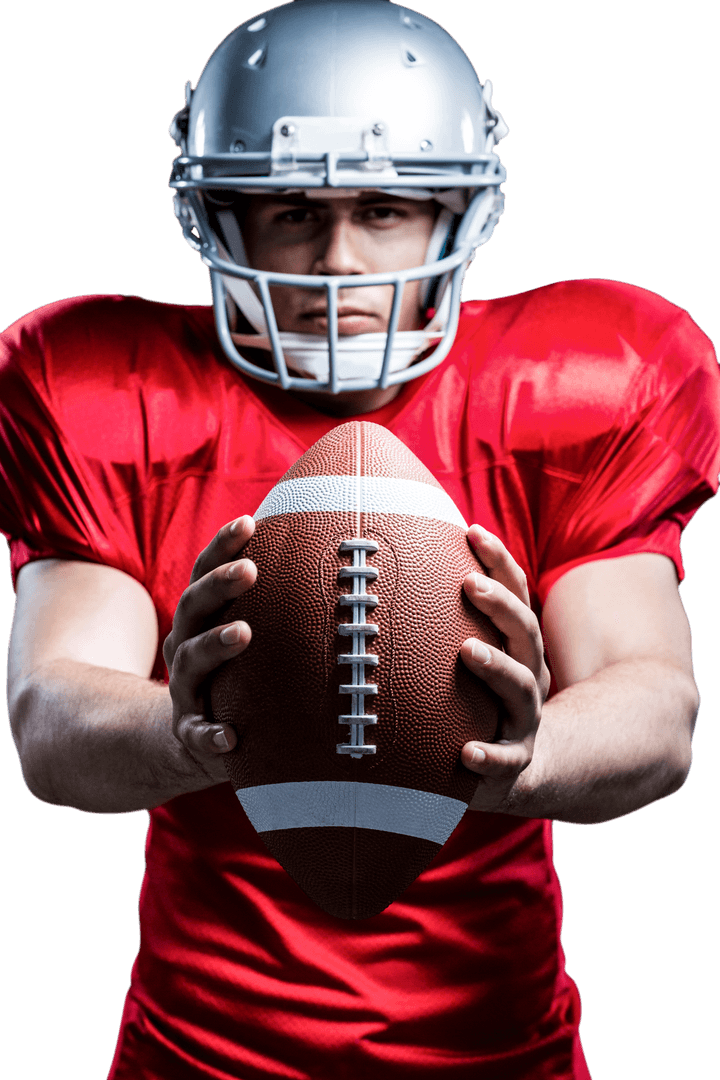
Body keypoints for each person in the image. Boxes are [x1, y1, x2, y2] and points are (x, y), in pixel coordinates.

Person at [2, 1, 718, 1078]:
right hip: (202, 1054)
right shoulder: (111, 390)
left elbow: (655, 705)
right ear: (220, 217)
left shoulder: (574, 384)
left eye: (384, 209)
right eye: (291, 209)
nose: (337, 260)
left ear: (457, 214)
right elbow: (50, 720)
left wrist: (525, 758)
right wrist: (182, 732)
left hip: (496, 1050)